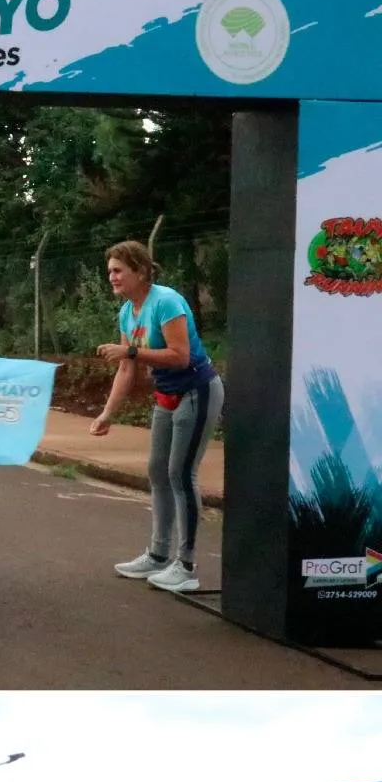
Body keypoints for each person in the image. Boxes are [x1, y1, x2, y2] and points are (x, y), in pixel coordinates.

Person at [92, 240, 225, 596]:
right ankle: (158, 554)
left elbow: (180, 357)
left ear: (140, 270)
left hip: (197, 391)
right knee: (157, 471)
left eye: (118, 270)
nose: (112, 278)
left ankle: (187, 566)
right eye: (109, 272)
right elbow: (125, 369)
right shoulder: (127, 313)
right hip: (166, 396)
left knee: (181, 474)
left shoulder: (165, 301)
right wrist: (107, 413)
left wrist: (132, 350)